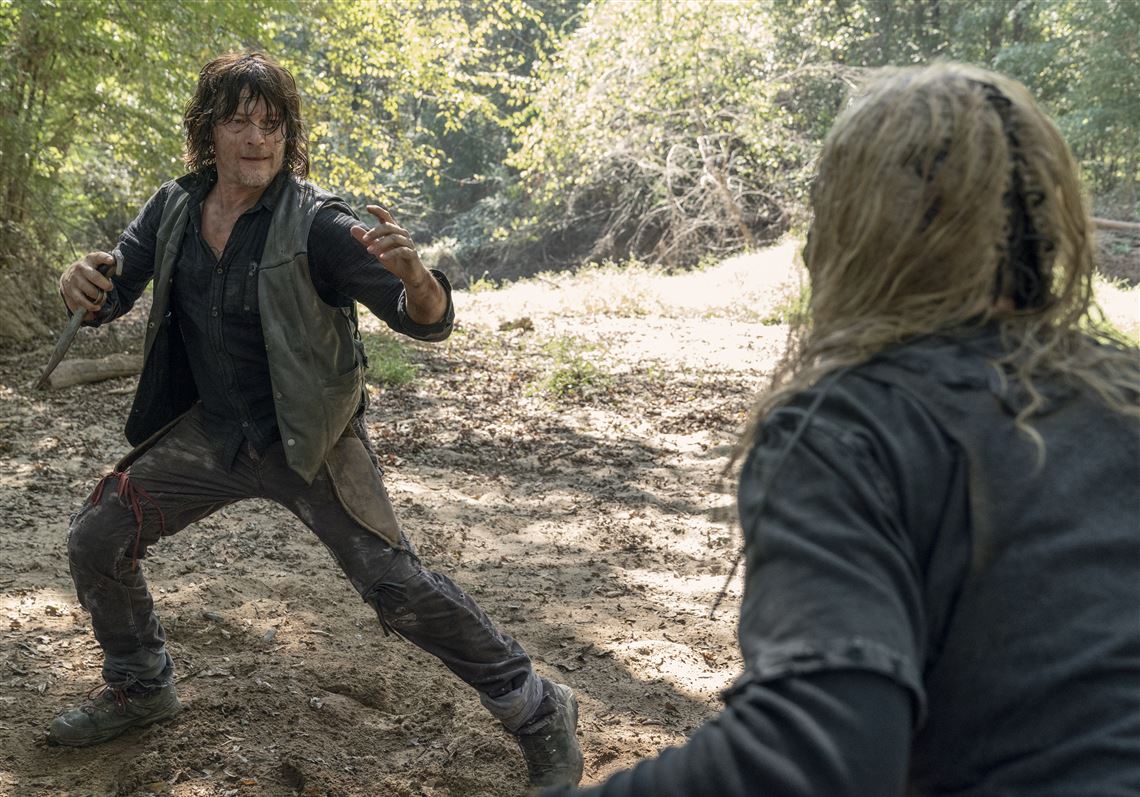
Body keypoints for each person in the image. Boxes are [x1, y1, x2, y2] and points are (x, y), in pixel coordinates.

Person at [541, 63, 1140, 796]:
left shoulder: (851, 428)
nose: (806, 249)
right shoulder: (1127, 393)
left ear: (860, 232)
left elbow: (818, 756)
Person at [46, 51, 582, 792]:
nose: (256, 139)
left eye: (272, 124)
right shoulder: (173, 208)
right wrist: (78, 282)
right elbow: (108, 294)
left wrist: (419, 279)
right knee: (99, 533)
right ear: (208, 130)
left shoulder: (321, 223)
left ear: (288, 135)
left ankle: (538, 707)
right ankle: (140, 687)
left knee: (394, 585)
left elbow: (425, 320)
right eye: (239, 121)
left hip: (309, 439)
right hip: (214, 434)